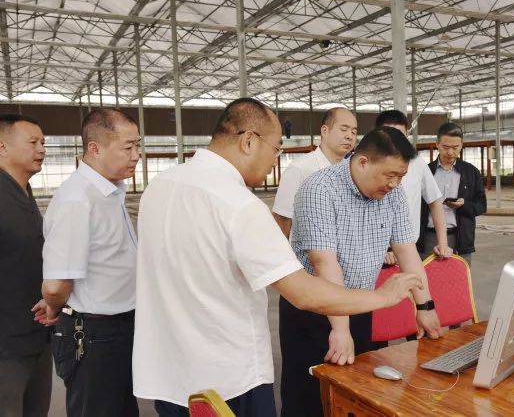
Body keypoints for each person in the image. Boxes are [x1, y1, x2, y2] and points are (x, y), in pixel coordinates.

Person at [132, 98, 422, 417]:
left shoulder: (159, 187)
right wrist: (382, 297)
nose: (275, 161)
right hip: (229, 379)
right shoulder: (239, 204)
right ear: (248, 141)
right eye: (276, 148)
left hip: (169, 375)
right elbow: (304, 292)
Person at [280, 126, 445, 417]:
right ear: (362, 161)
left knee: (356, 393)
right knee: (309, 399)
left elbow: (407, 251)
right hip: (313, 312)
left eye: (401, 177)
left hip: (361, 304)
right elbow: (324, 264)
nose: (394, 184)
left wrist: (425, 305)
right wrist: (340, 329)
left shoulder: (390, 193)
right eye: (389, 175)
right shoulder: (319, 189)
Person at [41, 108, 141, 416]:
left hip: (120, 329)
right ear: (94, 149)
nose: (137, 155)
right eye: (129, 147)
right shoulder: (77, 200)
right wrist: (55, 307)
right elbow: (57, 284)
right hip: (93, 335)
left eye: (138, 146)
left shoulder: (110, 192)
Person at [0, 114, 51, 417]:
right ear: (2, 147)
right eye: (33, 142)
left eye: (43, 142)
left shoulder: (23, 192)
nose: (42, 149)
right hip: (6, 346)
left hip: (36, 336)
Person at [374, 110, 451, 262]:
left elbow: (435, 202)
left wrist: (442, 243)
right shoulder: (366, 163)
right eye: (390, 134)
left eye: (400, 135)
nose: (395, 140)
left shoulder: (417, 163)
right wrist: (378, 250)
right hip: (372, 252)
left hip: (407, 250)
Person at [272, 107, 357, 237]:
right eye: (344, 129)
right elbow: (282, 220)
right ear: (325, 131)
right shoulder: (299, 169)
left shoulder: (353, 171)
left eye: (354, 132)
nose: (349, 136)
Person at [419, 122, 486, 264]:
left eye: (455, 148)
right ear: (437, 144)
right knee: (427, 280)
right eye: (446, 147)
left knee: (458, 281)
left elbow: (481, 205)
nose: (450, 152)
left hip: (461, 237)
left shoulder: (471, 172)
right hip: (429, 237)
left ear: (462, 145)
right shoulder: (426, 171)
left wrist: (464, 205)